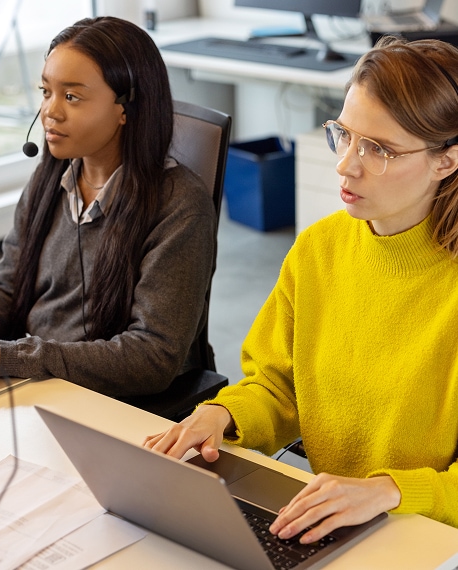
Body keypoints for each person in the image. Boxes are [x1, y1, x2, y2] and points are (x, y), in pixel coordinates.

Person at [145, 35, 458, 543]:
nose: (346, 165)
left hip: (427, 537)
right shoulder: (318, 249)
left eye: (377, 149)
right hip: (328, 519)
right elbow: (278, 385)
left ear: (446, 161)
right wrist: (222, 413)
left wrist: (389, 491)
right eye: (345, 135)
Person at [0, 17, 217, 398]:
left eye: (71, 96)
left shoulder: (179, 205)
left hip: (107, 400)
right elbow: (7, 289)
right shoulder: (52, 176)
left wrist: (5, 359)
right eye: (46, 91)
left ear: (126, 108)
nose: (50, 112)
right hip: (38, 382)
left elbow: (151, 356)